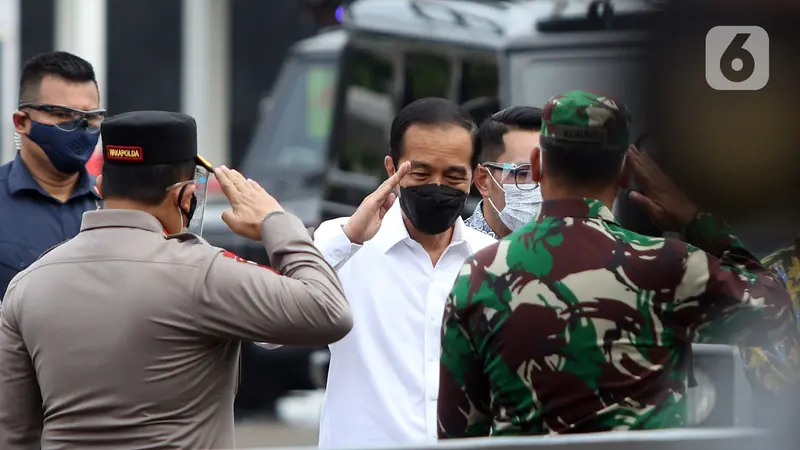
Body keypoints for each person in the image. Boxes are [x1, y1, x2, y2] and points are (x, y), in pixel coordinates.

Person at [437, 90, 798, 437]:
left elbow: (458, 431)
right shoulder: (671, 267)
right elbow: (777, 310)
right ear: (626, 175)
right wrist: (694, 220)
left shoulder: (479, 274)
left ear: (537, 165)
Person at [0, 111, 352, 450]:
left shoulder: (28, 284)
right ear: (185, 196)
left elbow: (13, 433)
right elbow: (328, 311)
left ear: (102, 185)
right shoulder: (202, 273)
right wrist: (276, 221)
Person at [312, 98, 496, 448]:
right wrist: (349, 239)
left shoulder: (491, 258)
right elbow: (270, 330)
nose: (437, 185)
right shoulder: (342, 243)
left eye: (454, 176)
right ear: (391, 168)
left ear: (475, 177)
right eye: (421, 174)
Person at [0, 51, 105, 297]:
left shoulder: (112, 204)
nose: (79, 127)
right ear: (21, 122)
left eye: (90, 117)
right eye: (63, 115)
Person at [465, 106, 543, 238]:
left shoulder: (577, 252)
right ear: (483, 180)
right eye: (524, 173)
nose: (543, 188)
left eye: (552, 173)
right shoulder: (457, 253)